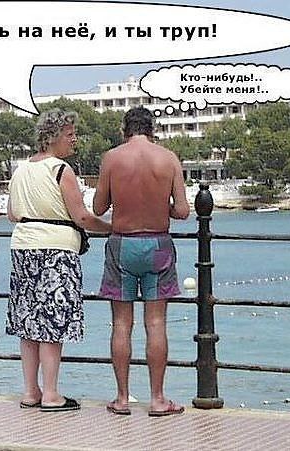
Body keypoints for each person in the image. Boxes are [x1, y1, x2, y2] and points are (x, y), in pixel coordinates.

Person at [7, 109, 112, 412]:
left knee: (28, 319)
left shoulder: (20, 169)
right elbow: (82, 216)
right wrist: (112, 228)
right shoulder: (61, 170)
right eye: (69, 135)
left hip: (23, 247)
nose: (74, 140)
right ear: (52, 137)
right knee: (52, 319)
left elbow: (12, 213)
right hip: (56, 250)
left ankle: (31, 391)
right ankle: (52, 394)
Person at [93, 107, 190, 417]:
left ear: (125, 129)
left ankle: (122, 398)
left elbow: (98, 207)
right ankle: (158, 399)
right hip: (158, 244)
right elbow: (183, 210)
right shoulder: (168, 158)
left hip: (123, 244)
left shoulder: (112, 158)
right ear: (152, 129)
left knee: (122, 323)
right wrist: (161, 206)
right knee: (156, 323)